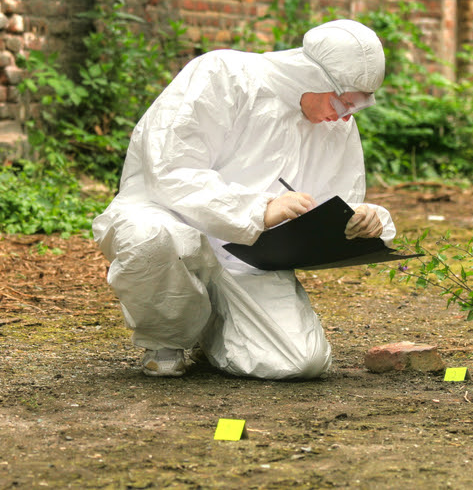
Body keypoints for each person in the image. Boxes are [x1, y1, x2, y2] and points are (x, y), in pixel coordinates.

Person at [92, 19, 396, 380]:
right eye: (342, 100)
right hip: (171, 222)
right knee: (151, 240)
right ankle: (167, 337)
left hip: (251, 257)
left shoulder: (334, 123)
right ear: (311, 75)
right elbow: (170, 169)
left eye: (356, 106)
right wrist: (257, 209)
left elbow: (335, 204)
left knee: (301, 363)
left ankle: (212, 323)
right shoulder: (223, 75)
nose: (345, 114)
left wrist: (365, 220)